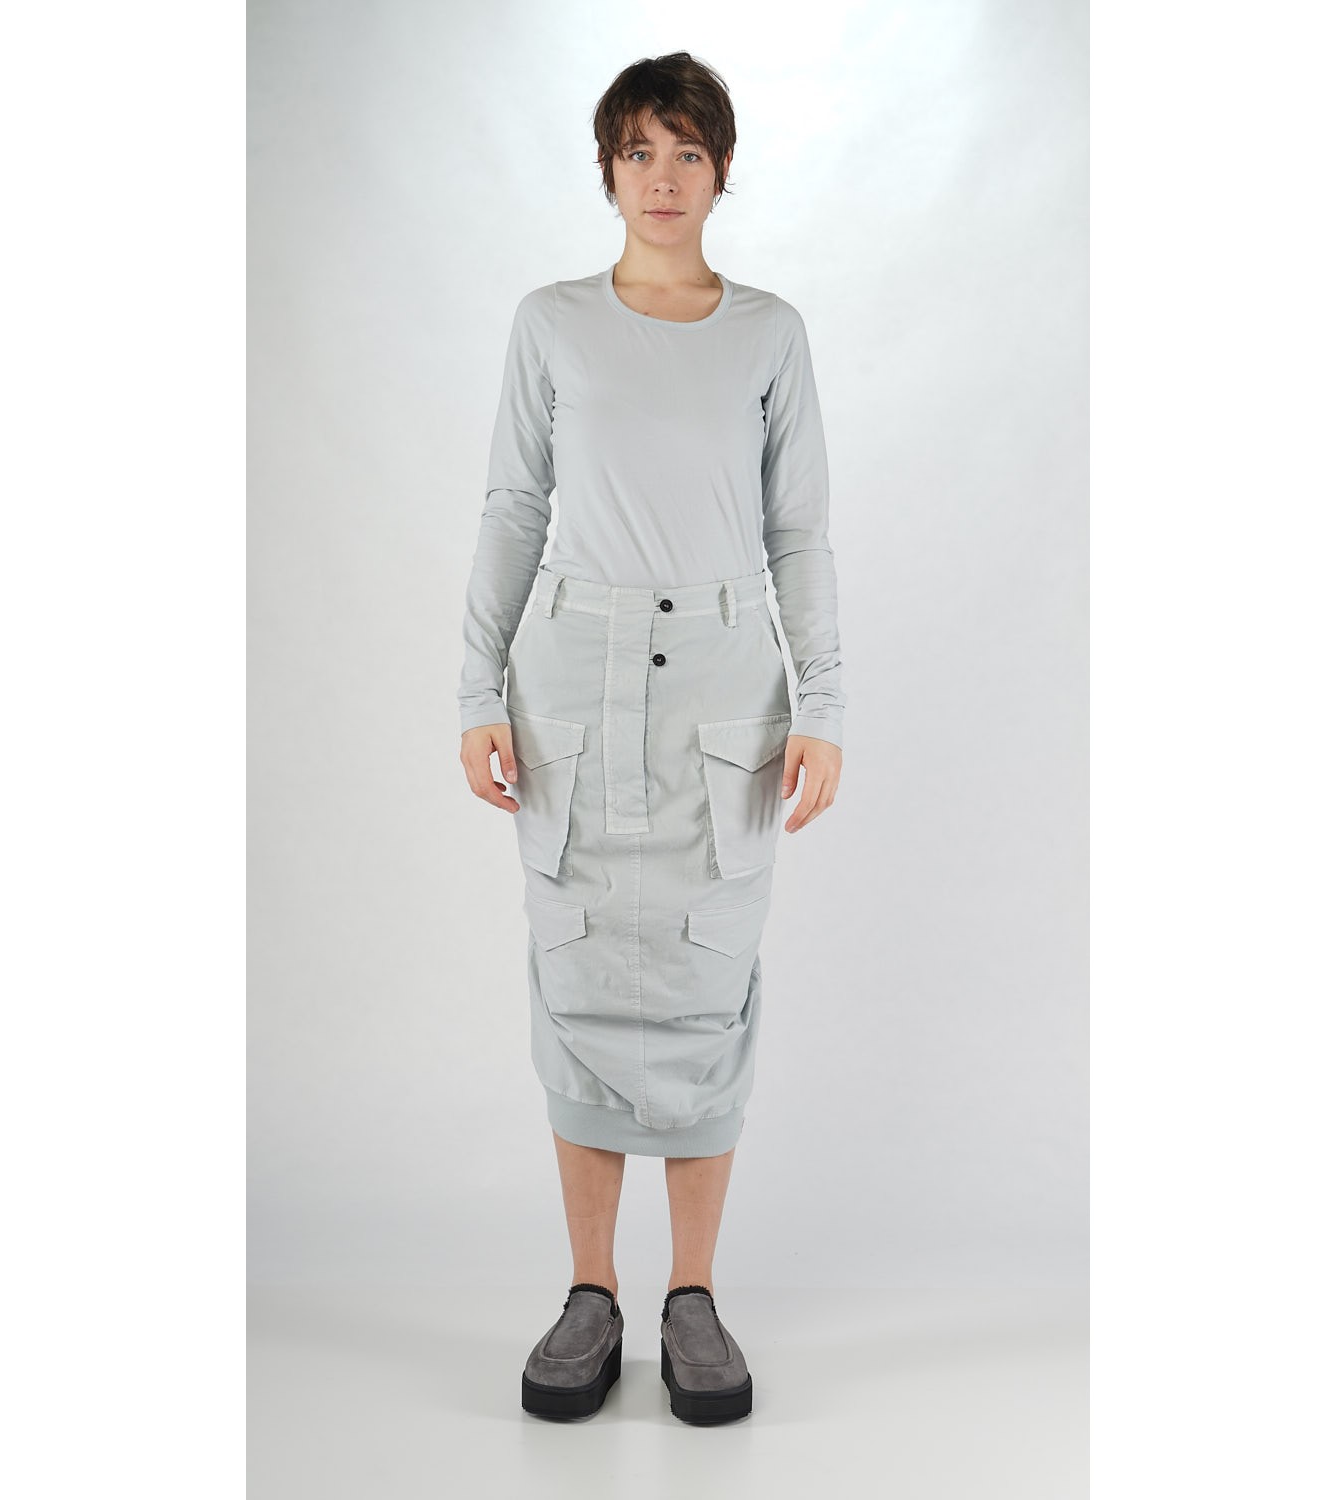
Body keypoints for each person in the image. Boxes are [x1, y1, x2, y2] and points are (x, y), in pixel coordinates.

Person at [456, 52, 845, 1423]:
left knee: (706, 977)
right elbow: (514, 505)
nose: (663, 179)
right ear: (607, 171)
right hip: (572, 674)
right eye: (639, 152)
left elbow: (799, 529)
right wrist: (474, 690)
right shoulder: (550, 322)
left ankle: (691, 1297)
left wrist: (825, 707)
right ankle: (588, 1293)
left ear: (722, 171)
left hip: (726, 688)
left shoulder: (770, 333)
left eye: (688, 153)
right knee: (573, 972)